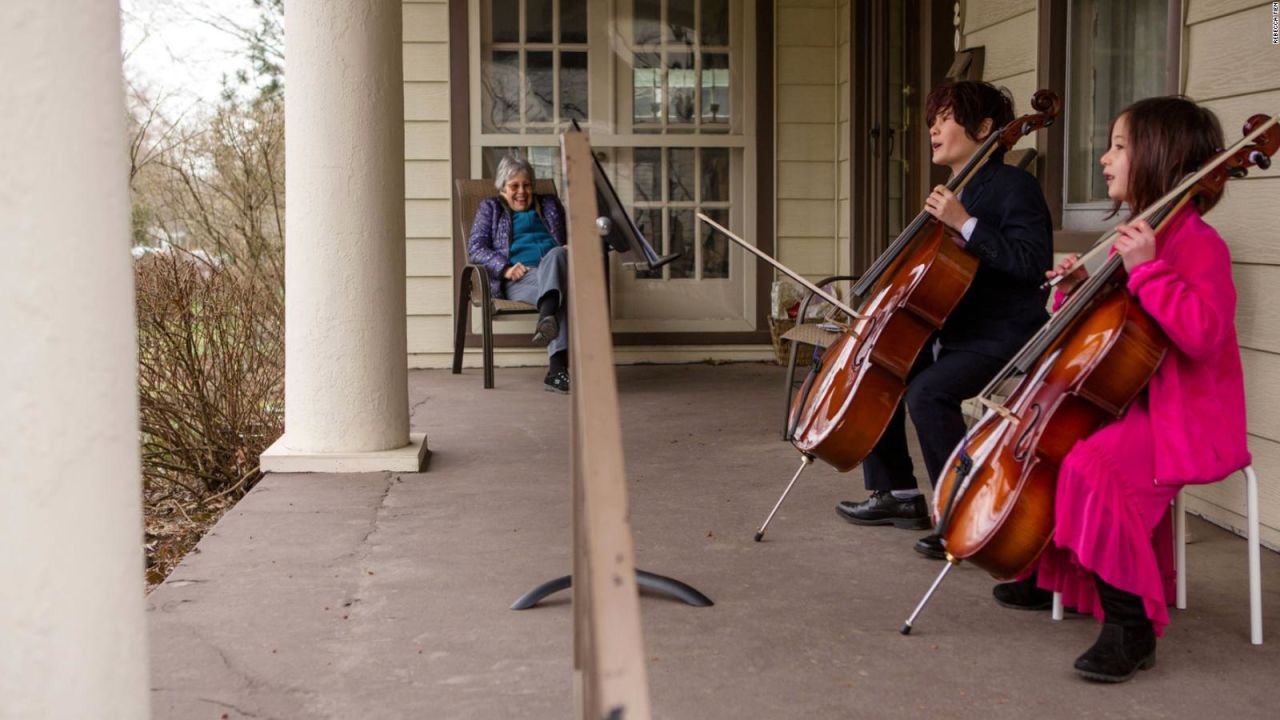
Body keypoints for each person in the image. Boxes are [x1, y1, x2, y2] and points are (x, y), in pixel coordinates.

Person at [990, 96, 1250, 683]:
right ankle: (1064, 578)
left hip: (1185, 417)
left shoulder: (1197, 243)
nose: (1105, 159)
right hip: (1131, 401)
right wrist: (1077, 289)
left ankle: (1131, 626)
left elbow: (1203, 336)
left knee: (1093, 466)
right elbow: (1114, 335)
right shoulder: (1146, 233)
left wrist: (1148, 270)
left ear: (1159, 155)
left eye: (1119, 146)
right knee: (1058, 448)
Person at [835, 81, 1054, 560]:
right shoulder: (953, 191)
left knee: (929, 391)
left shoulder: (1013, 185)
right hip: (949, 328)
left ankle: (962, 511)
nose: (933, 127)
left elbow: (1031, 263)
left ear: (984, 128)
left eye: (946, 117)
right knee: (880, 363)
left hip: (1001, 333)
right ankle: (898, 493)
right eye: (933, 119)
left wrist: (966, 223)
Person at [468, 154, 571, 393]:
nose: (521, 192)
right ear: (502, 188)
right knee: (562, 294)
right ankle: (556, 371)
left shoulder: (550, 204)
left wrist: (569, 246)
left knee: (556, 255)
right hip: (521, 279)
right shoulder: (490, 208)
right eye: (514, 186)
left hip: (554, 267)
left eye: (527, 185)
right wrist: (505, 268)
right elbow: (476, 248)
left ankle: (547, 313)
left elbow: (570, 236)